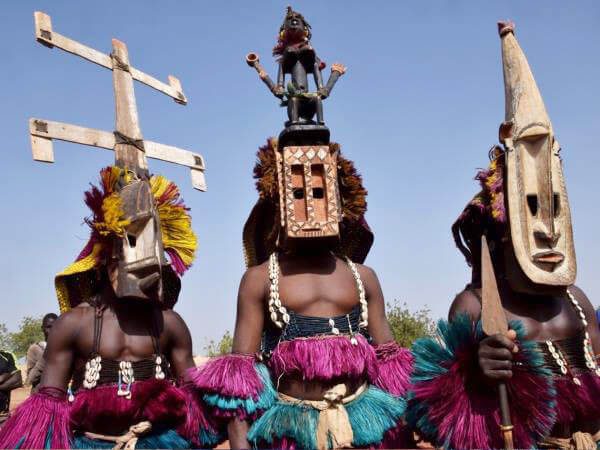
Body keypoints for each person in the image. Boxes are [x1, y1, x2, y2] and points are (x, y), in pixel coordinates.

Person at [408, 22, 600, 449]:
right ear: (498, 231)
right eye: (531, 210)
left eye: (554, 212)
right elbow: (438, 415)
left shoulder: (578, 303)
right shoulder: (474, 306)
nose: (546, 232)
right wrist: (474, 371)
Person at [189, 138, 414, 449]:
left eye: (321, 193)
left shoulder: (364, 278)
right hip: (292, 433)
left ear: (340, 203)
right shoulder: (259, 280)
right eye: (297, 194)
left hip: (361, 430)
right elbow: (241, 385)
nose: (310, 204)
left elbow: (392, 371)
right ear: (279, 205)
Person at [0, 167, 218, 448]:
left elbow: (195, 407)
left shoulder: (169, 324)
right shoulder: (74, 324)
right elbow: (47, 408)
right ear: (106, 255)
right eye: (131, 242)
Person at [25, 313, 57, 391]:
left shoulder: (64, 348)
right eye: (49, 327)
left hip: (60, 397)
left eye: (56, 326)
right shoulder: (35, 349)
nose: (52, 330)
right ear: (42, 328)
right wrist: (46, 355)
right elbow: (30, 379)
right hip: (40, 397)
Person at [0, 350, 22, 426]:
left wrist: (4, 376)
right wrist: (6, 375)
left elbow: (18, 381)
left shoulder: (7, 356)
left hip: (2, 415)